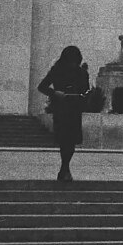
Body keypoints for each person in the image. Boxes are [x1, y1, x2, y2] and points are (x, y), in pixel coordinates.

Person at [37, 45, 90, 180]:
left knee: (71, 141)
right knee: (64, 139)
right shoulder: (57, 70)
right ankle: (64, 169)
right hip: (61, 108)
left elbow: (86, 90)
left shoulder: (82, 72)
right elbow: (42, 86)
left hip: (74, 108)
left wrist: (82, 96)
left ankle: (64, 168)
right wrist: (55, 93)